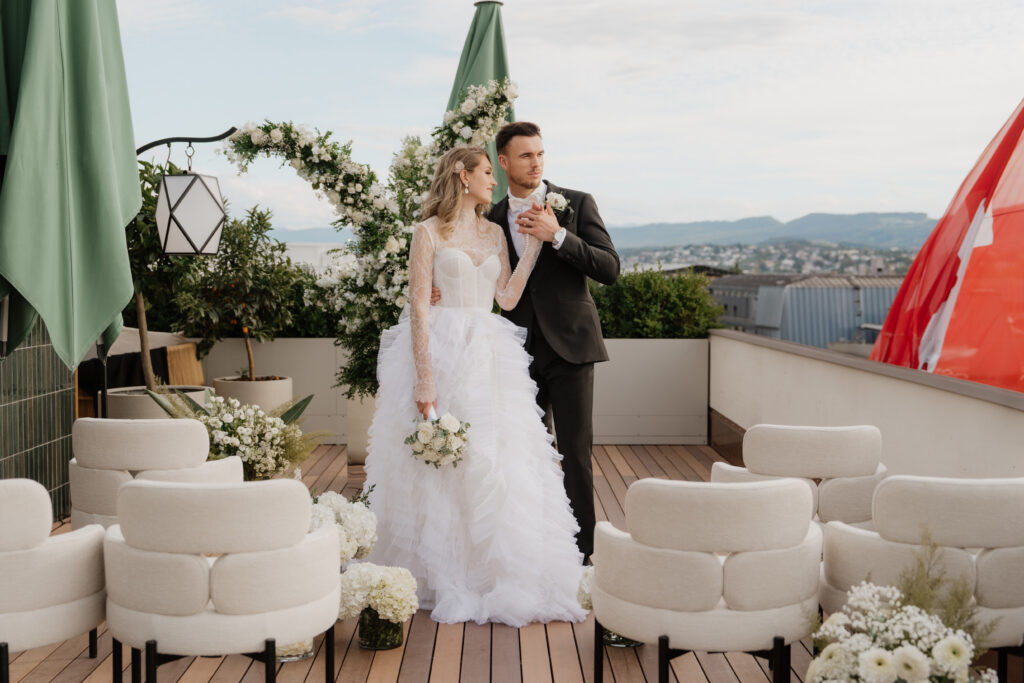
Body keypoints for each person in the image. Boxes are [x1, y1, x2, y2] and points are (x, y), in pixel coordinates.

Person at [363, 145, 587, 627]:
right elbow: (419, 306)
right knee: (440, 465)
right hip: (441, 352)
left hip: (489, 354)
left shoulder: (493, 233)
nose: (494, 181)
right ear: (463, 177)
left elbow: (506, 299)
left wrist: (531, 251)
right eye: (488, 172)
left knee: (493, 460)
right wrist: (425, 378)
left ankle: (492, 571)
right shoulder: (426, 233)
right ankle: (438, 570)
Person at [487, 121, 620, 560]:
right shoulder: (488, 216)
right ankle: (532, 545)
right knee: (524, 452)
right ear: (503, 162)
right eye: (525, 155)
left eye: (540, 153)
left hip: (572, 348)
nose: (536, 162)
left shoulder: (576, 203)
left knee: (575, 453)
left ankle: (585, 553)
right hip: (515, 349)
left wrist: (558, 236)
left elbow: (609, 268)